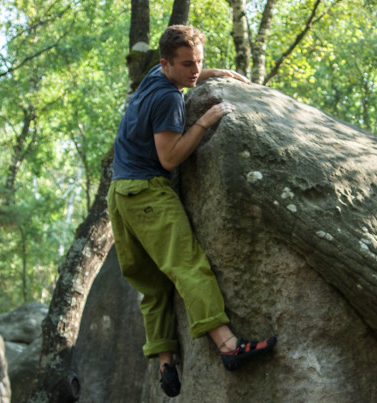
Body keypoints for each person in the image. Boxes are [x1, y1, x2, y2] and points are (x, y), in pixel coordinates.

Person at [107, 25, 277, 397]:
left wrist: (212, 73)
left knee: (153, 287)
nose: (195, 71)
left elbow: (187, 75)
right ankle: (228, 346)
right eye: (188, 65)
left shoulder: (156, 74)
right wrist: (205, 121)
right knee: (187, 265)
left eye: (198, 62)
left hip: (119, 195)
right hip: (148, 192)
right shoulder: (168, 98)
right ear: (167, 63)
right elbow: (169, 158)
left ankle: (166, 363)